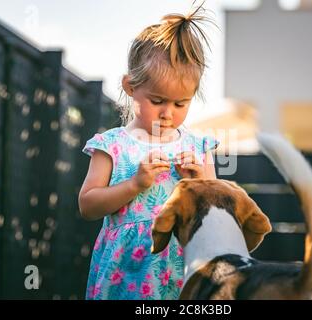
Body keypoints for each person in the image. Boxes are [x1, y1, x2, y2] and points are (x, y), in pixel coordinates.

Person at [78, 4, 219, 300]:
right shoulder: (112, 145)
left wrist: (198, 183)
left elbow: (215, 214)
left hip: (182, 272)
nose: (168, 113)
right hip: (124, 275)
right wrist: (134, 185)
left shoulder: (198, 148)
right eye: (157, 100)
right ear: (130, 87)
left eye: (181, 104)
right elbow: (88, 206)